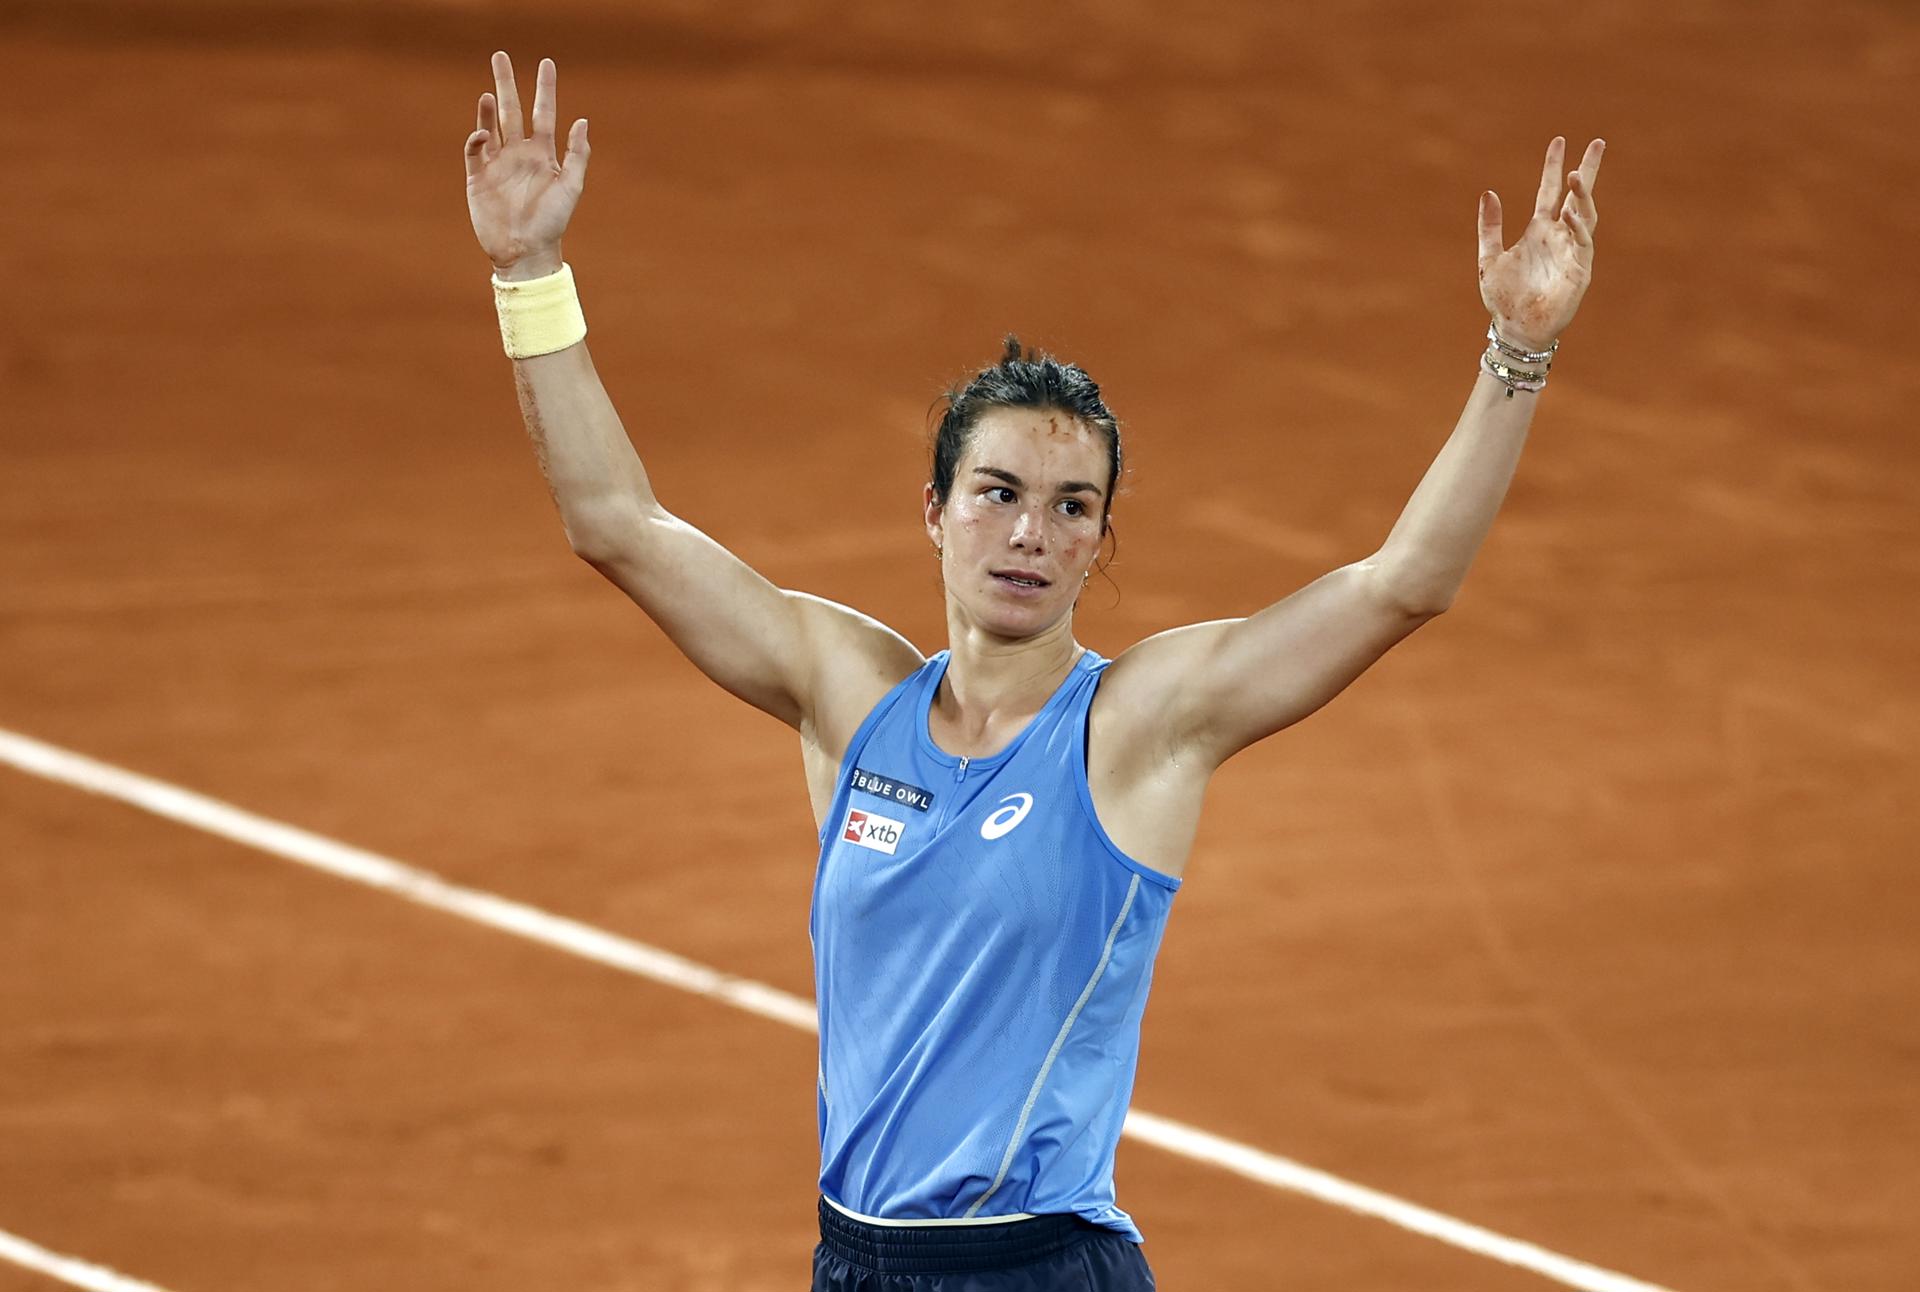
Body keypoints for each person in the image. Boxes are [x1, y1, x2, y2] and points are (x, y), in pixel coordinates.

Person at [463, 50, 1605, 1292]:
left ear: (1103, 543)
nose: (1029, 534)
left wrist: (1516, 352)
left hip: (1042, 1268)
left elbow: (1402, 583)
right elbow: (616, 523)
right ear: (936, 510)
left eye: (1072, 509)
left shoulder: (1139, 725)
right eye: (998, 494)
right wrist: (529, 272)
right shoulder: (848, 695)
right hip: (856, 1262)